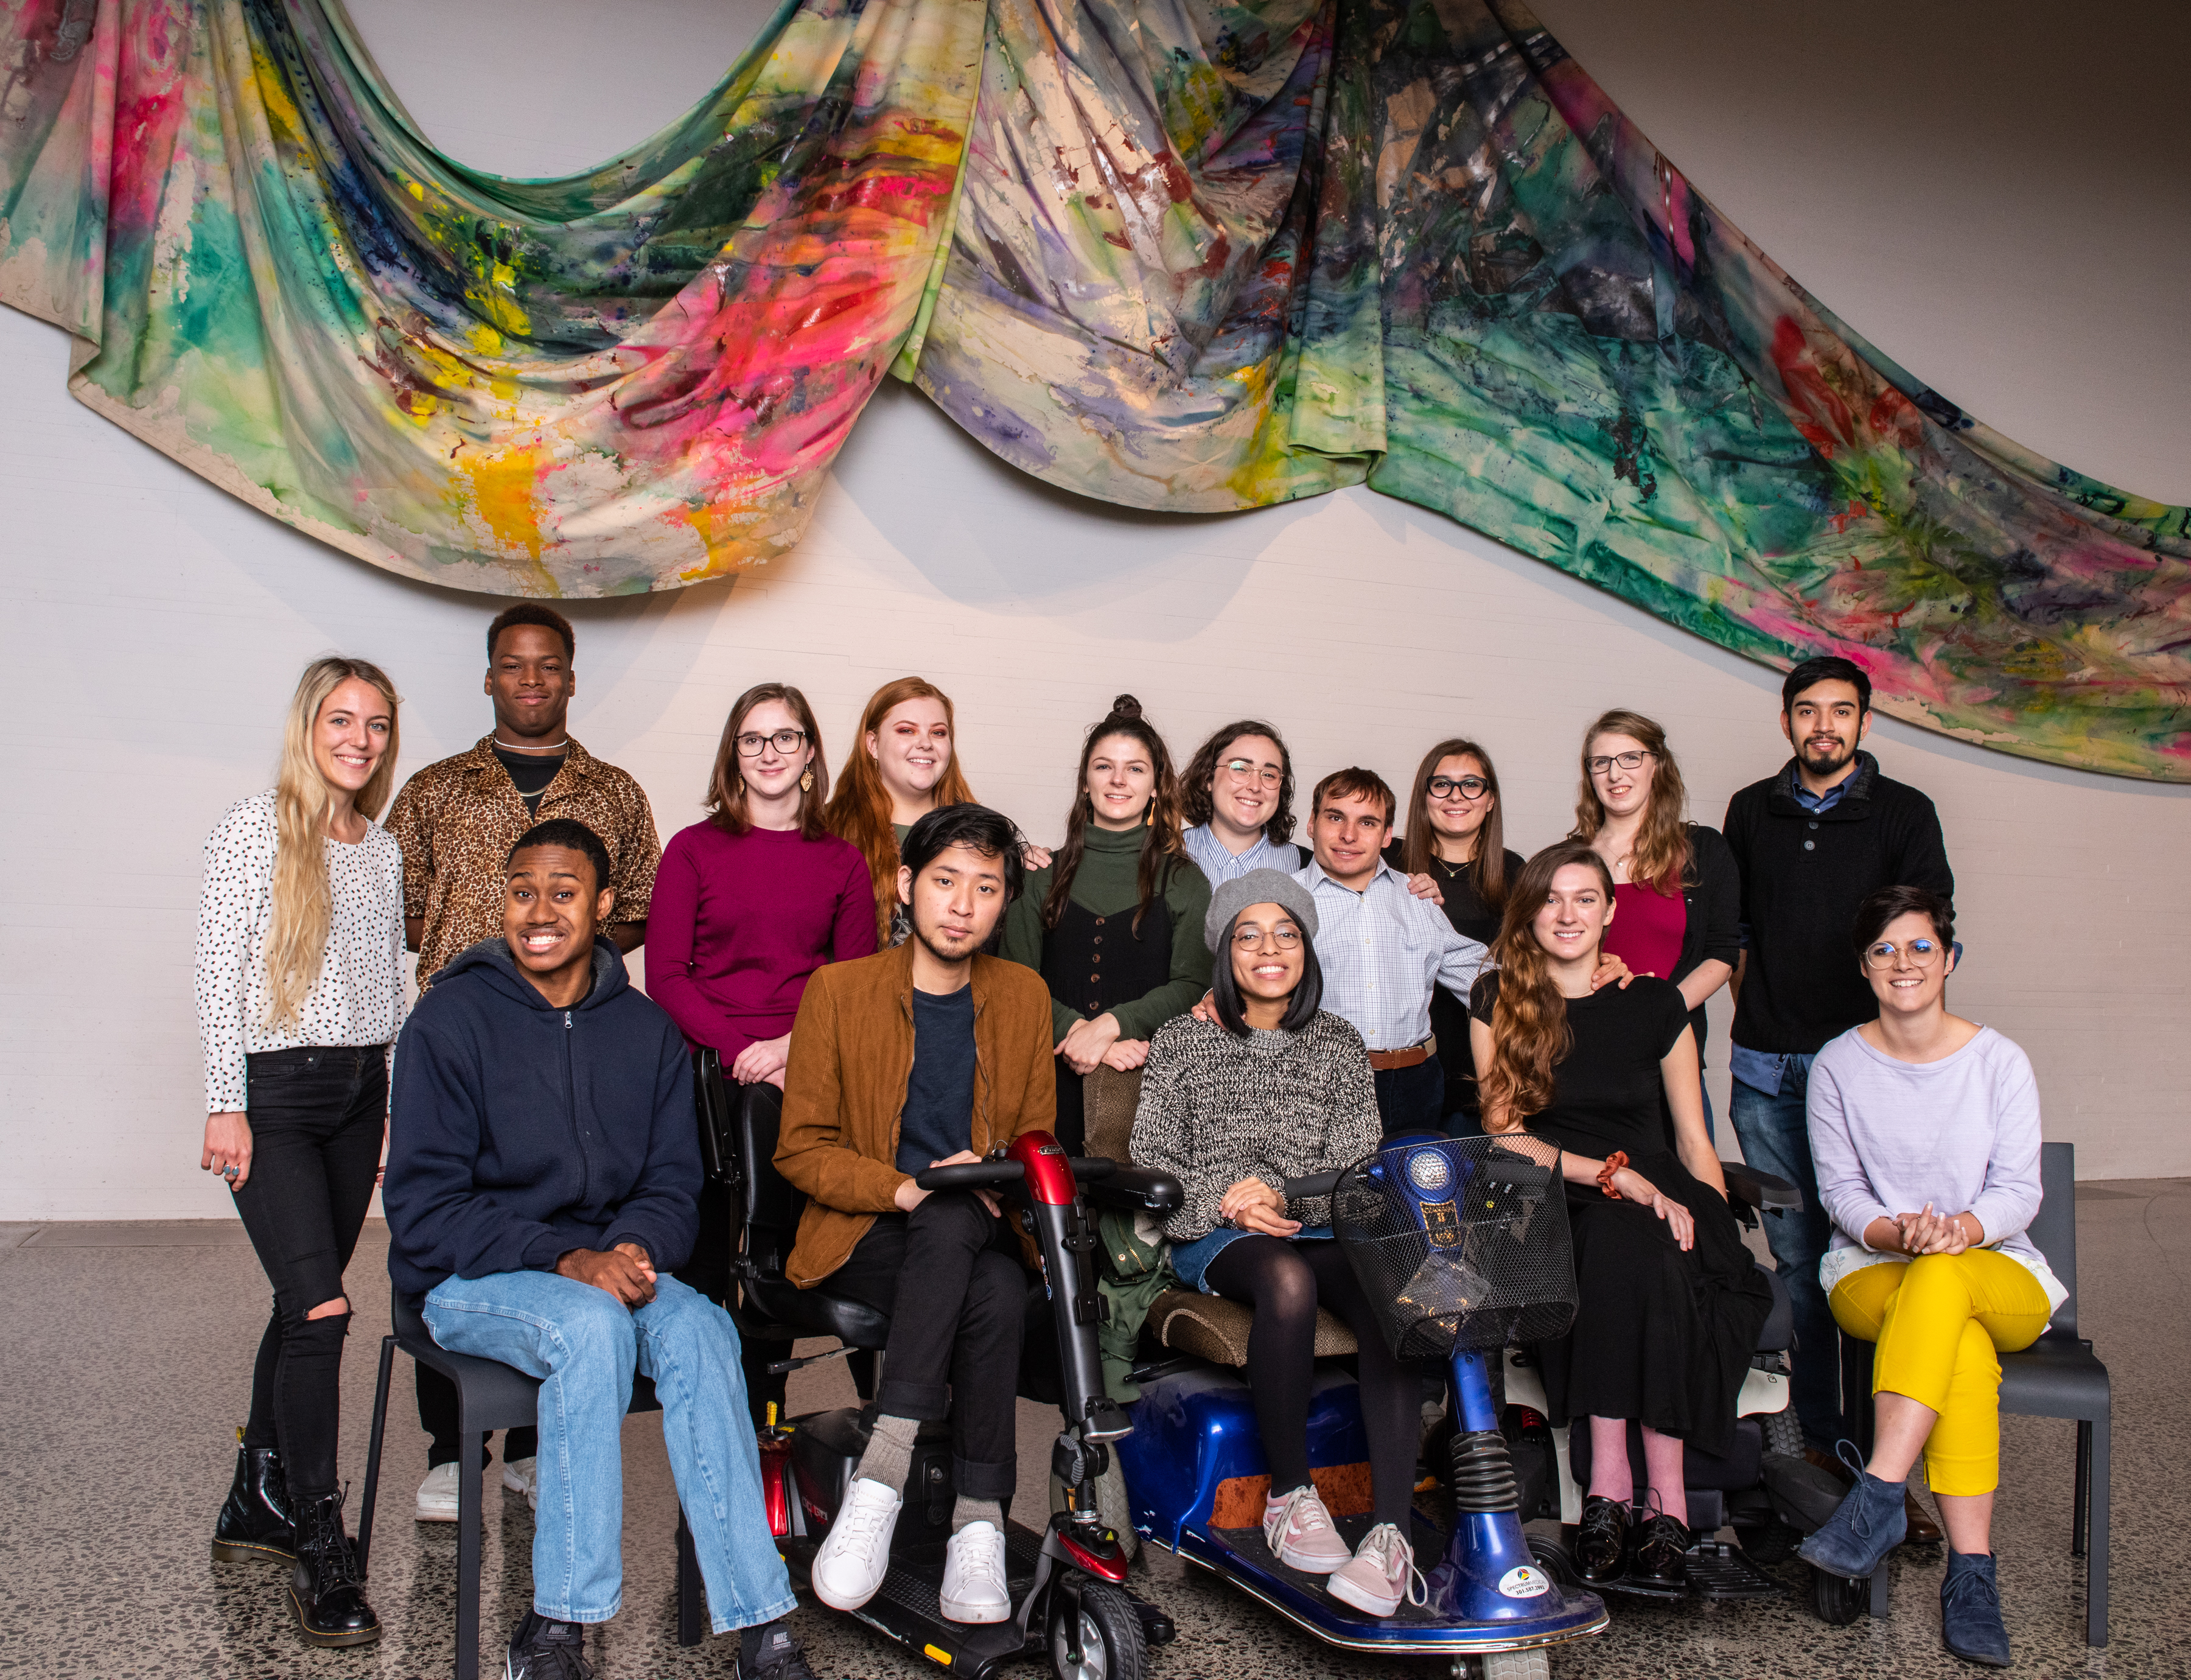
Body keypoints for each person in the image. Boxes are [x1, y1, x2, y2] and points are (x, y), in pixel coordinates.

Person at [383, 820, 818, 1680]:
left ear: (606, 905)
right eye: (521, 890)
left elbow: (672, 1182)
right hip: (472, 1279)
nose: (538, 911)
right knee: (591, 1328)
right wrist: (567, 1260)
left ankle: (761, 1625)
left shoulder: (645, 1032)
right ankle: (556, 1628)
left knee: (701, 1332)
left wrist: (629, 1246)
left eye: (564, 891)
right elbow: (423, 1209)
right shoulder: (448, 1021)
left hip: (608, 1267)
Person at [383, 603, 663, 1518]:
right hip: (468, 1039)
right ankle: (447, 1448)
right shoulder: (433, 787)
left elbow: (641, 909)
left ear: (572, 678)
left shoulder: (615, 792)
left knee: (563, 1202)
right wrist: (483, 959)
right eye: (514, 665)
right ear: (491, 677)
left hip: (567, 1037)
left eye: (549, 666)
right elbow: (405, 908)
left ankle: (541, 1443)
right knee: (454, 1223)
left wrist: (564, 961)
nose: (531, 680)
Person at [775, 805, 1057, 1625]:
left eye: (985, 887)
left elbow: (1034, 1138)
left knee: (977, 1249)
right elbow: (801, 1149)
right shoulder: (840, 991)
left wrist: (983, 1167)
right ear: (906, 884)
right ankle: (976, 1514)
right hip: (864, 1229)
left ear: (1005, 902)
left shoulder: (1023, 995)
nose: (962, 905)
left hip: (976, 1223)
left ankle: (889, 1478)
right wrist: (906, 1187)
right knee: (984, 1278)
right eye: (944, 882)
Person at [1469, 842, 1772, 1591]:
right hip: (1553, 1189)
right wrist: (1614, 1178)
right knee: (1614, 1234)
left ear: (1610, 912)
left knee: (1664, 1245)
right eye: (1551, 899)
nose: (1567, 914)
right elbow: (1506, 1138)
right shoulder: (1497, 999)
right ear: (1530, 913)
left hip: (1657, 1182)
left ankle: (1632, 1496)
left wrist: (1715, 1221)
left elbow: (1694, 1134)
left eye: (1585, 899)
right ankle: (1633, 1491)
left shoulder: (1656, 1003)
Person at [1130, 870, 1427, 1617]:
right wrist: (1230, 1203)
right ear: (1226, 951)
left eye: (1286, 933)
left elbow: (1361, 1172)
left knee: (1397, 1288)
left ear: (1306, 950)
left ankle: (1392, 1535)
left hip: (1322, 1222)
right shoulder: (1182, 1041)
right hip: (1219, 1235)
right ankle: (1291, 1497)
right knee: (1286, 1281)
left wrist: (1284, 1196)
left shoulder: (1336, 1043)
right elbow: (1153, 1169)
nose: (1270, 949)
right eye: (1250, 934)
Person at [197, 656, 406, 1647]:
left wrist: (393, 1098)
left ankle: (254, 1497)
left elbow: (389, 983)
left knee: (299, 1296)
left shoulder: (385, 848)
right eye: (340, 721)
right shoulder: (255, 828)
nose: (358, 740)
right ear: (308, 726)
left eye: (374, 724)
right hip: (273, 1098)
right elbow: (215, 971)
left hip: (358, 1094)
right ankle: (323, 1543)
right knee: (323, 1307)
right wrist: (221, 1105)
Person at [1798, 886, 2059, 1668]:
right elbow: (1842, 1196)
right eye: (1884, 950)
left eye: (1919, 948)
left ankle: (1877, 1495)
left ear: (1949, 959)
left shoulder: (1999, 1061)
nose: (1903, 963)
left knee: (1946, 1283)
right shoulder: (1838, 1066)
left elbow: (2020, 1190)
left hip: (1997, 1269)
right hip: (1871, 1267)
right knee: (1958, 1342)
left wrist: (1960, 1230)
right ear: (1864, 966)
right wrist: (1900, 1228)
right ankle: (1971, 1577)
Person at [1722, 655, 1953, 1466]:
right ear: (1786, 721)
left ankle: (1895, 1464)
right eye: (1809, 711)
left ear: (1864, 721)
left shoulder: (1905, 814)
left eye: (1842, 711)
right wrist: (1770, 1008)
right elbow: (1736, 936)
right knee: (1799, 1262)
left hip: (1865, 1075)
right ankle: (1822, 1447)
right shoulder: (1750, 811)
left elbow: (1927, 935)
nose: (1825, 725)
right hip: (1765, 1075)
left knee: (1885, 1260)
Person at [1000, 695, 1214, 1153]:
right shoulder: (1039, 874)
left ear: (1156, 785)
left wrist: (1115, 1024)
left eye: (1135, 769)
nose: (1118, 780)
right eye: (1104, 767)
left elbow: (1193, 983)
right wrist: (1081, 1033)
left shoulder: (1185, 880)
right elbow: (1014, 982)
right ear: (1084, 782)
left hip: (1147, 1085)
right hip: (1043, 1082)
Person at [649, 682, 876, 1088]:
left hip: (810, 1050)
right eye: (753, 740)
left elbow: (854, 985)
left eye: (785, 738)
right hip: (711, 1059)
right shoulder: (691, 849)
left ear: (809, 752)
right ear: (734, 756)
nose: (769, 753)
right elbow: (664, 978)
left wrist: (791, 1049)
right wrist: (747, 1058)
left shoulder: (845, 862)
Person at [1293, 767, 1489, 1138]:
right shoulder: (1285, 900)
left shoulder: (1417, 899)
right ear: (1312, 824)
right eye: (1335, 817)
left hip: (1415, 1083)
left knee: (1413, 1192)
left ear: (1387, 836)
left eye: (1367, 823)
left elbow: (1481, 976)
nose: (1348, 835)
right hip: (1316, 1082)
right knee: (1326, 1195)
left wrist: (1580, 971)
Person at [1570, 711, 1739, 1138]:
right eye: (1601, 762)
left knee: (1687, 1188)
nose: (1614, 773)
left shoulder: (1703, 849)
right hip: (1586, 1058)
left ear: (1657, 765)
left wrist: (1657, 1015)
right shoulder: (1570, 859)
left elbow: (1722, 954)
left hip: (1671, 1055)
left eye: (1630, 758)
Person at [1385, 738, 1525, 1130]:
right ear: (1424, 795)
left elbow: (1540, 961)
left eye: (1471, 784)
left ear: (1490, 799)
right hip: (1399, 1068)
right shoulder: (1387, 861)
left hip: (1481, 1067)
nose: (1456, 796)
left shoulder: (1515, 872)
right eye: (1442, 784)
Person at [824, 676, 980, 947]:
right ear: (872, 744)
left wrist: (1020, 857)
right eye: (907, 730)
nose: (925, 743)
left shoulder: (979, 833)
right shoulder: (827, 829)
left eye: (938, 732)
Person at [1178, 719, 1307, 886]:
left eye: (1269, 775)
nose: (1255, 786)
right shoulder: (1163, 853)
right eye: (1240, 768)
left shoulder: (1305, 866)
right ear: (1208, 778)